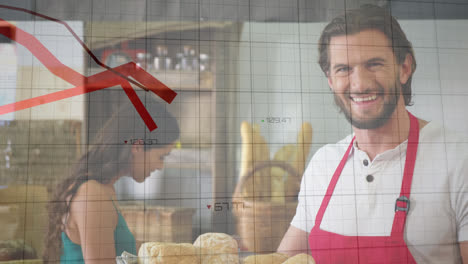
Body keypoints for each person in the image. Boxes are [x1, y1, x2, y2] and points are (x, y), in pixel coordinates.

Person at [278, 4, 468, 264]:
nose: (359, 83)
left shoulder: (458, 160)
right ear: (331, 80)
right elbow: (282, 259)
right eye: (343, 69)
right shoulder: (323, 165)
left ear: (404, 68)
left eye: (374, 64)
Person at [43, 97, 180, 264]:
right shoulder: (92, 194)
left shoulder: (102, 189)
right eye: (161, 157)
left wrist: (175, 253)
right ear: (137, 146)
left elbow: (120, 248)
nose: (160, 166)